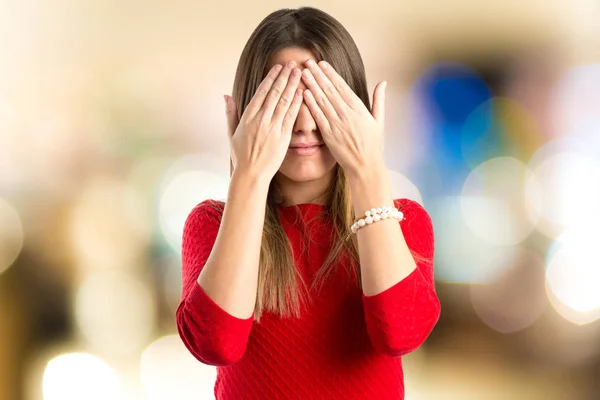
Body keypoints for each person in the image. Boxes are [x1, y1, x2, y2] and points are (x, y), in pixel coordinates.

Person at [176, 6, 440, 400]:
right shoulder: (211, 225)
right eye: (281, 100)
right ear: (249, 111)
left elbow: (400, 334)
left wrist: (367, 168)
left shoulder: (404, 223)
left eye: (321, 98)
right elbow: (215, 344)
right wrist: (247, 173)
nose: (304, 123)